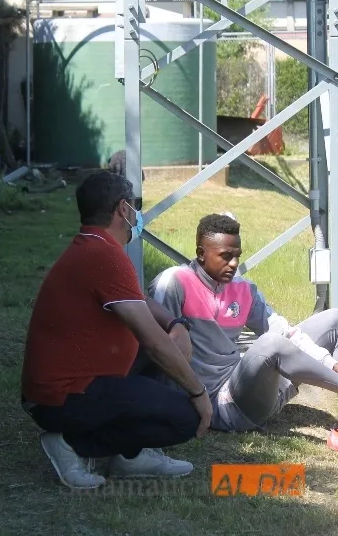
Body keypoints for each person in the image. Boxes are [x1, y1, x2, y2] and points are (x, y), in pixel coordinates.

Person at [146, 213, 338, 443]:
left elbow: (287, 332)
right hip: (219, 406)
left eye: (237, 256)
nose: (233, 264)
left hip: (255, 392)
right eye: (225, 256)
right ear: (201, 254)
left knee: (337, 320)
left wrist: (336, 366)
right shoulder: (174, 283)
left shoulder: (243, 290)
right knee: (270, 344)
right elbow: (156, 347)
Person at [20, 170, 213, 489]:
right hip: (61, 397)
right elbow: (153, 343)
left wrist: (175, 324)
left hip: (67, 387)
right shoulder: (103, 255)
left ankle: (130, 455)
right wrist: (198, 392)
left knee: (161, 361)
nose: (138, 214)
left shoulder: (94, 247)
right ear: (123, 209)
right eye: (136, 206)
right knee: (186, 419)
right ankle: (71, 444)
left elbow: (140, 301)